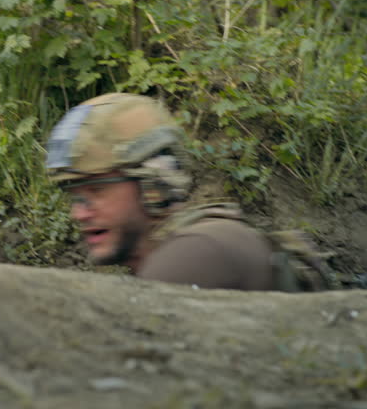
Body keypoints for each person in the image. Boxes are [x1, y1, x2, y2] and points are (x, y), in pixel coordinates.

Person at [45, 93, 279, 290]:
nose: (80, 214)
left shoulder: (194, 255)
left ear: (154, 184)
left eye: (97, 190)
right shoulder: (188, 248)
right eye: (76, 197)